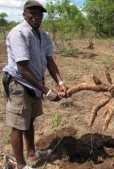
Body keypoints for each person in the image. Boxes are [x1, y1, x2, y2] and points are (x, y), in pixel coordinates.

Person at [2, 1, 67, 169]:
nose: (37, 17)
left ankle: (32, 153)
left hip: (35, 84)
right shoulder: (18, 33)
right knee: (18, 125)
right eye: (32, 13)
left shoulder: (43, 36)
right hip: (19, 84)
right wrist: (47, 91)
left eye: (40, 14)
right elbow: (22, 69)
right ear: (24, 14)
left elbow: (50, 61)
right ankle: (21, 165)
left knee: (29, 119)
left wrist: (60, 82)